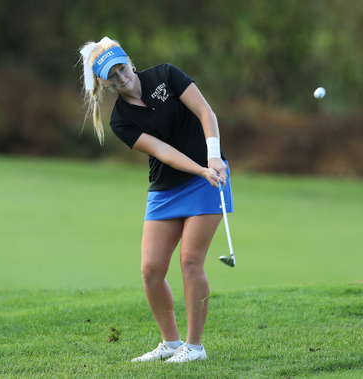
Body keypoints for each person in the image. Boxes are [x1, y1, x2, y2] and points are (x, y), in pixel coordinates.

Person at [78, 36, 233, 363]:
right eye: (112, 77)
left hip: (210, 175)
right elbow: (164, 152)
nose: (121, 77)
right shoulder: (120, 119)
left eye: (121, 68)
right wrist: (199, 169)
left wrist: (213, 159)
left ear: (129, 61)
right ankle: (171, 343)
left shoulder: (166, 74)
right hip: (167, 188)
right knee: (150, 270)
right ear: (105, 84)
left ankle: (194, 347)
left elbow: (205, 112)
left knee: (190, 261)